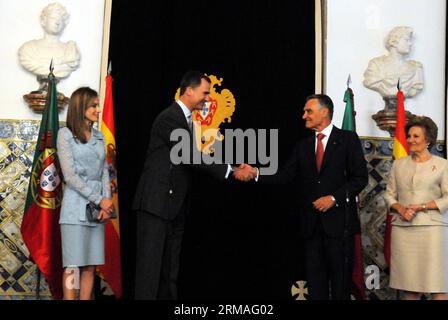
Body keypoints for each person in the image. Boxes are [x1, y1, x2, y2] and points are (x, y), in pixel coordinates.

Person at [132, 70, 254, 300]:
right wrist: (230, 171)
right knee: (150, 271)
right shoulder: (170, 117)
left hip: (173, 206)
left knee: (169, 271)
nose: (208, 98)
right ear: (189, 91)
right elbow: (189, 155)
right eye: (205, 92)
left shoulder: (184, 119)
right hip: (156, 205)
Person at [239, 94, 368, 300]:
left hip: (339, 227)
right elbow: (284, 176)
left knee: (340, 287)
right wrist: (256, 173)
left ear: (324, 112)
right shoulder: (303, 146)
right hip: (312, 228)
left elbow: (360, 179)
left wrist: (333, 199)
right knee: (315, 287)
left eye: (308, 111)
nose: (304, 116)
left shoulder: (347, 140)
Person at [57, 87, 114, 300]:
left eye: (99, 106)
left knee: (90, 266)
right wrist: (100, 199)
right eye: (94, 106)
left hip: (98, 211)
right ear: (81, 107)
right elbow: (70, 177)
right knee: (73, 266)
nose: (98, 110)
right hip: (74, 209)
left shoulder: (99, 136)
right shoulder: (65, 135)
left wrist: (106, 204)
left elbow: (104, 172)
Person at [383, 116, 448, 300]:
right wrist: (400, 208)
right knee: (409, 286)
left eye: (416, 136)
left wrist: (421, 206)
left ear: (428, 140)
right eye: (409, 136)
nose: (410, 140)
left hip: (433, 230)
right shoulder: (399, 164)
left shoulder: (443, 165)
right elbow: (389, 194)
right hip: (403, 230)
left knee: (437, 286)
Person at [18, 2, 81, 79]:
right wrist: (60, 67)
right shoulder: (28, 49)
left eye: (60, 20)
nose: (57, 22)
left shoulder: (70, 50)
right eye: (53, 18)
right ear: (43, 21)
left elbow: (72, 62)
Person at [363, 26, 423, 99]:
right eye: (406, 40)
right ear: (393, 42)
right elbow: (369, 82)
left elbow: (415, 88)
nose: (410, 44)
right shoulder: (376, 65)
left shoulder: (416, 67)